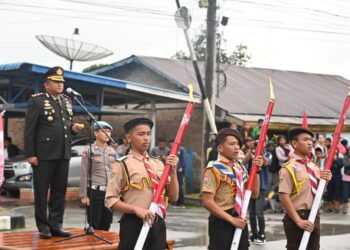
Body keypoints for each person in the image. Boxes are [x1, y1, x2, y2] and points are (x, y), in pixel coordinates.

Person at [24, 66, 83, 239]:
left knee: (60, 191)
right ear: (46, 84)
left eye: (62, 82)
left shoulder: (66, 101)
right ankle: (43, 226)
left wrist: (74, 129)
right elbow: (30, 130)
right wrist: (30, 154)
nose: (60, 85)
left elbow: (65, 128)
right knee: (42, 192)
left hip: (63, 153)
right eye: (56, 82)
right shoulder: (37, 101)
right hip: (43, 155)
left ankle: (56, 225)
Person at [105, 118, 179, 250]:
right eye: (141, 134)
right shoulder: (122, 164)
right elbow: (110, 200)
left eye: (148, 134)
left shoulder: (158, 163)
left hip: (157, 223)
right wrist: (136, 209)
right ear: (129, 138)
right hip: (134, 224)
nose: (146, 138)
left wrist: (173, 172)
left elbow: (173, 197)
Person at [202, 128, 263, 250]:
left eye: (238, 144)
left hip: (240, 219)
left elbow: (254, 194)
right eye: (231, 144)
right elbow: (207, 202)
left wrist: (256, 171)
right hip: (222, 221)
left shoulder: (240, 167)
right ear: (220, 148)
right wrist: (231, 220)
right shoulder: (213, 169)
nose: (236, 147)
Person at [279, 127, 332, 250]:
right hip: (296, 217)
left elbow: (319, 193)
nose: (310, 143)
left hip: (314, 215)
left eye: (311, 140)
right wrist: (298, 221)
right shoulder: (288, 167)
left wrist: (326, 181)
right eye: (305, 139)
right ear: (294, 143)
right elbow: (283, 196)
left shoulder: (313, 166)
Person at [79, 121, 117, 231]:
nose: (107, 134)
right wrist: (84, 195)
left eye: (109, 131)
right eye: (104, 131)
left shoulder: (112, 151)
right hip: (94, 192)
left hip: (109, 192)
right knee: (95, 224)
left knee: (107, 223)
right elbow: (84, 173)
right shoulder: (88, 151)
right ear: (96, 133)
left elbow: (115, 173)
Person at [169, 138, 187, 207]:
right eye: (170, 143)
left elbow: (184, 159)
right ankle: (174, 202)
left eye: (173, 143)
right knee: (172, 186)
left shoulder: (181, 150)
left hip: (179, 171)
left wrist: (181, 168)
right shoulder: (170, 150)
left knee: (179, 186)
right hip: (172, 171)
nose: (171, 144)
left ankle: (181, 202)